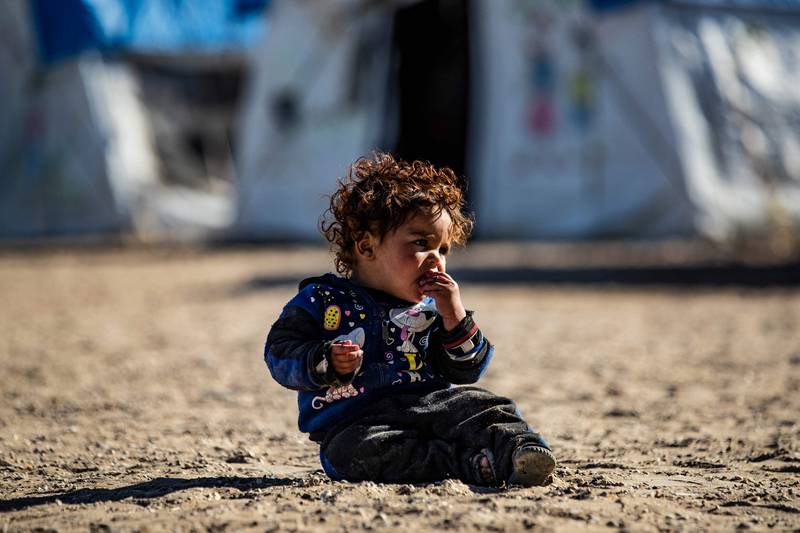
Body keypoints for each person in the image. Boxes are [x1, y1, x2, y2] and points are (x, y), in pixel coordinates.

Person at [264, 152, 556, 487]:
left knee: (484, 405)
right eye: (421, 243)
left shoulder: (432, 309)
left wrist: (454, 315)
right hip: (357, 421)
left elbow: (467, 369)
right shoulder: (321, 300)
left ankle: (521, 450)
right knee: (352, 454)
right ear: (366, 247)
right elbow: (280, 351)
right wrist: (325, 361)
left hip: (431, 406)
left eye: (443, 250)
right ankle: (468, 463)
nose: (436, 259)